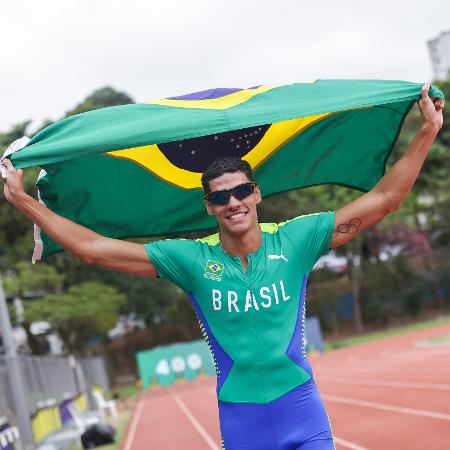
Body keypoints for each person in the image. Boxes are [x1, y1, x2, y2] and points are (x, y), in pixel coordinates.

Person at [1, 84, 444, 449]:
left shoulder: (297, 239)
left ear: (256, 194)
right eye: (219, 196)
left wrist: (427, 130)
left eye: (240, 191)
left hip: (302, 409)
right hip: (242, 422)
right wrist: (22, 200)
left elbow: (387, 200)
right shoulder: (190, 259)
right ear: (208, 206)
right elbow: (94, 249)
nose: (232, 202)